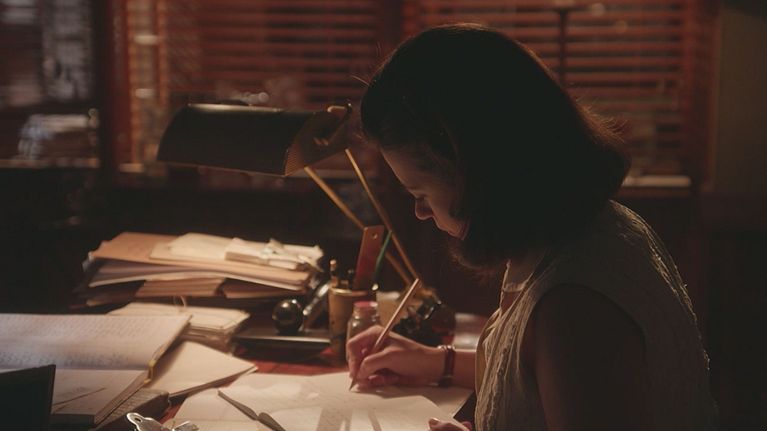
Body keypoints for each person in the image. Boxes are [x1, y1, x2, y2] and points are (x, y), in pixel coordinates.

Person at [346, 24, 717, 430]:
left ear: (476, 174)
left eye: (420, 193)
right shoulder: (593, 229)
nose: (420, 212)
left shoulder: (573, 305)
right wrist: (436, 362)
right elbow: (533, 382)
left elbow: (573, 365)